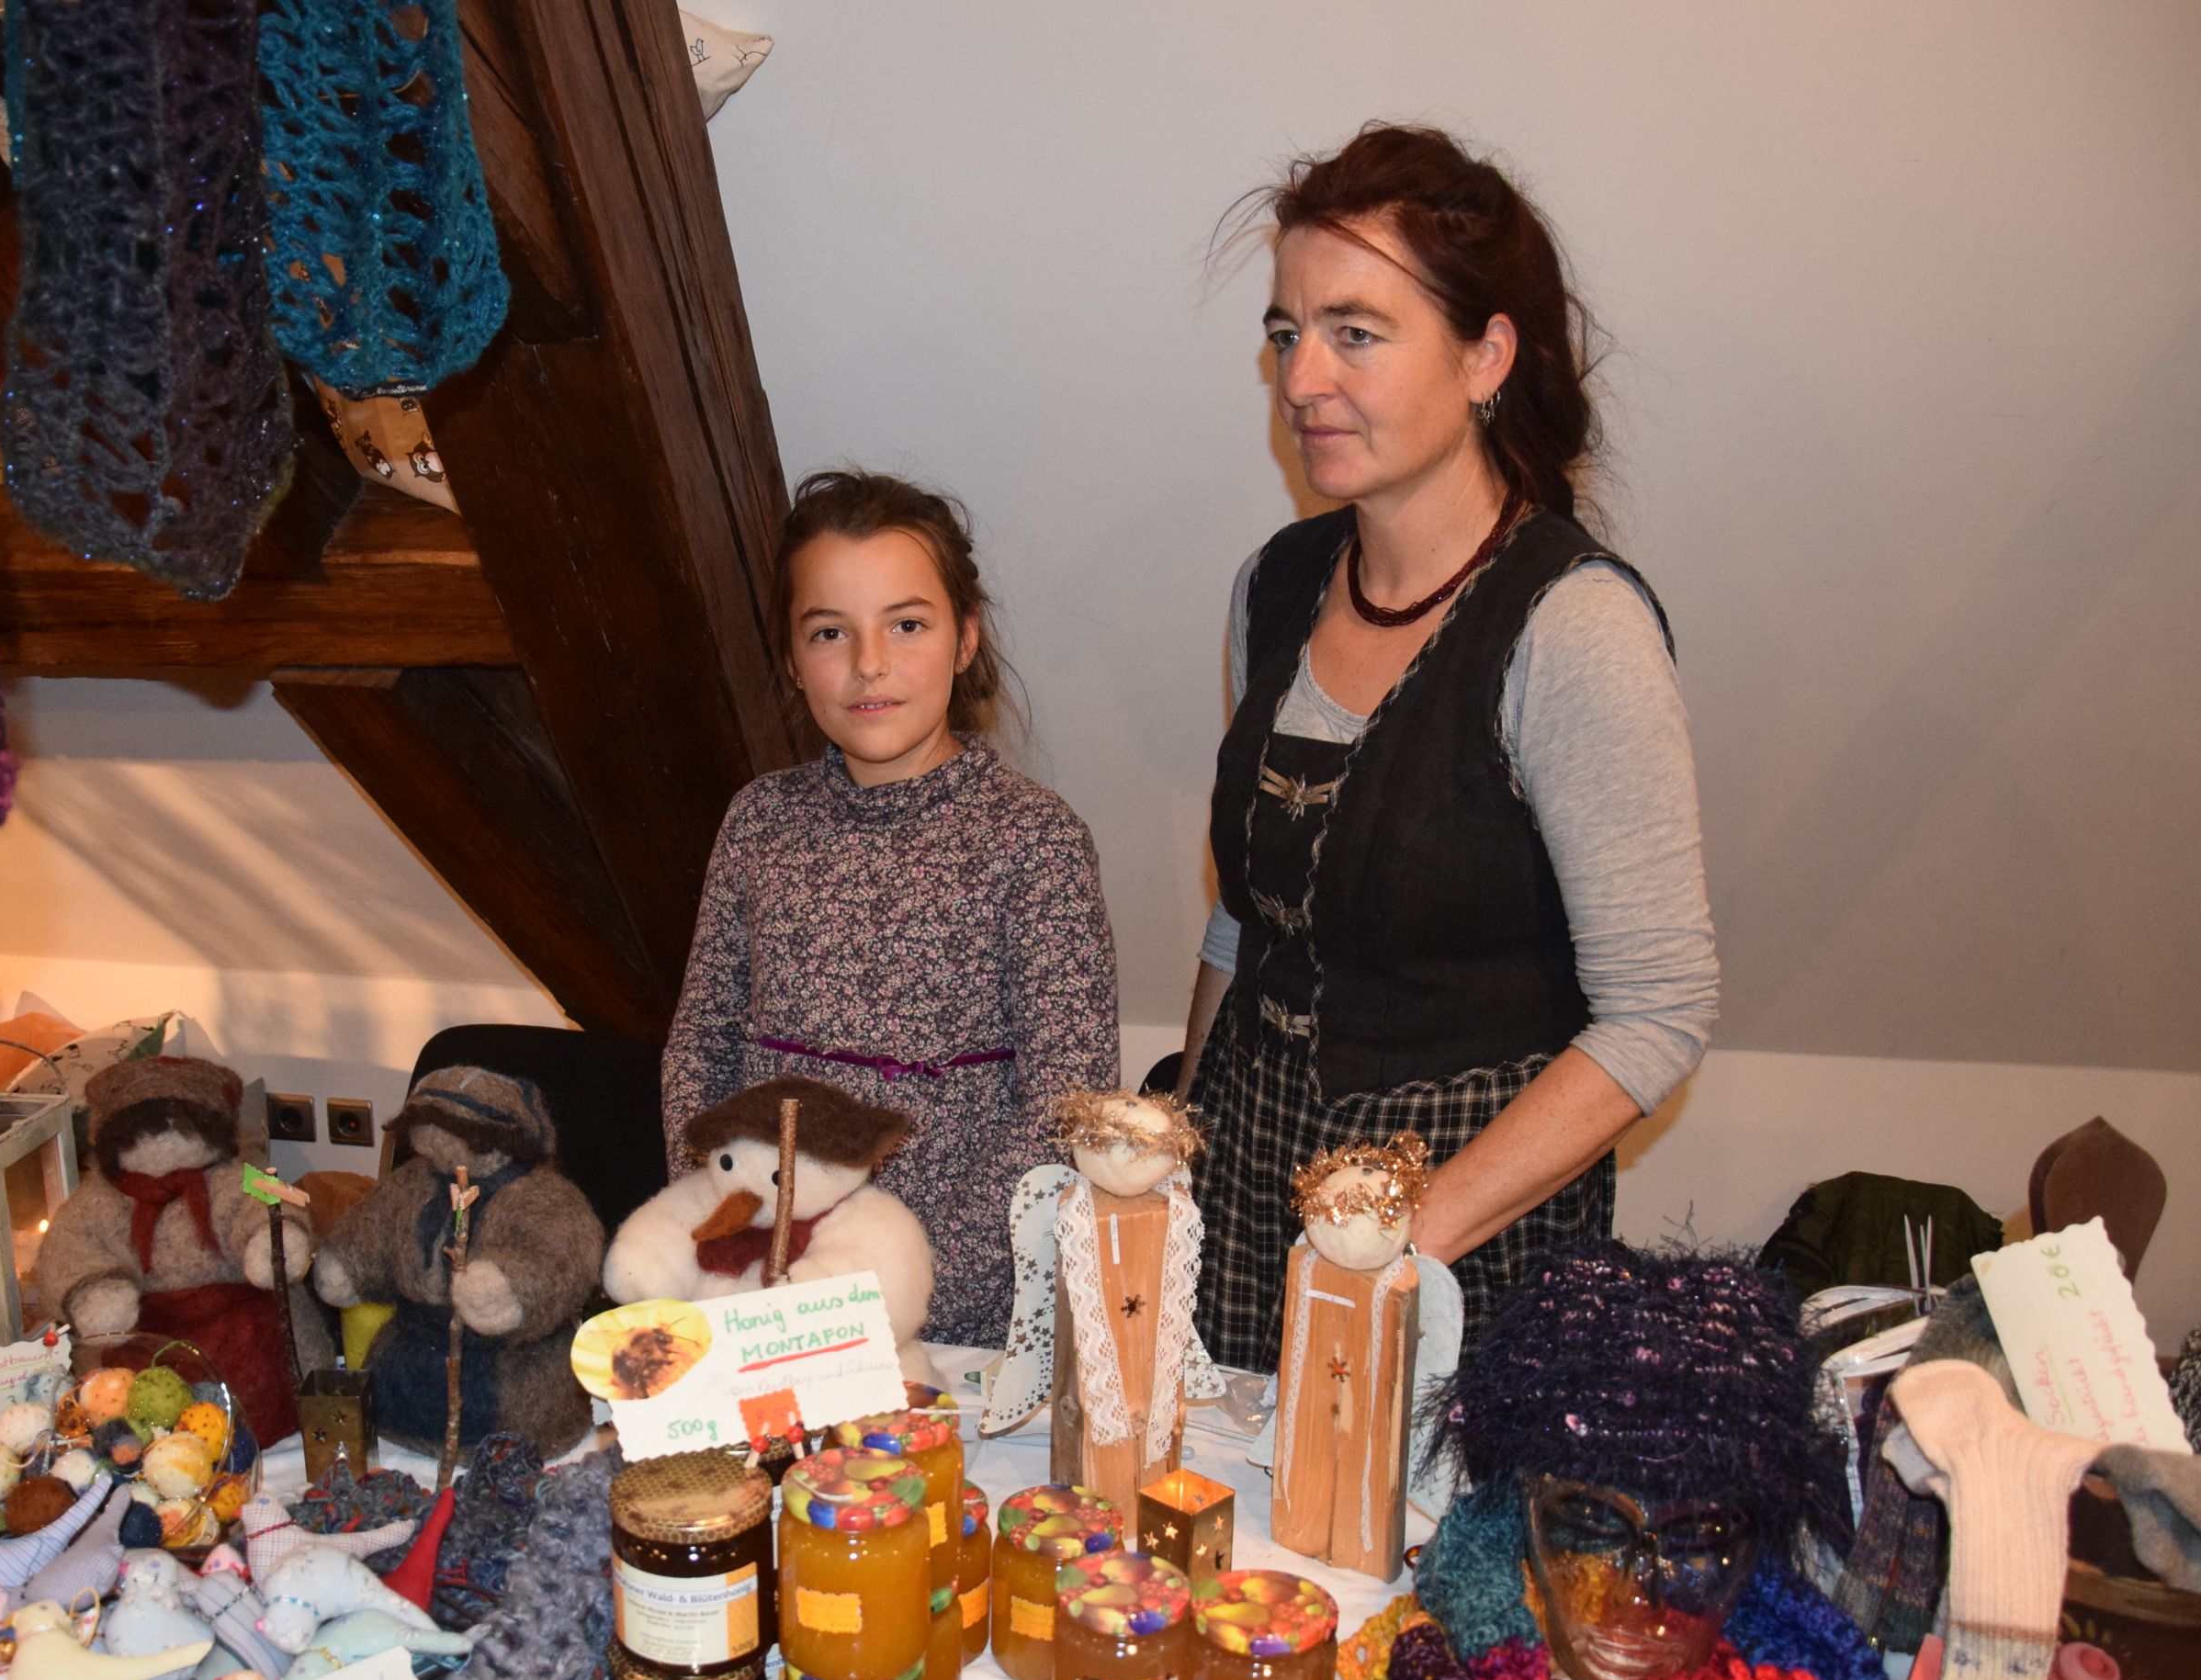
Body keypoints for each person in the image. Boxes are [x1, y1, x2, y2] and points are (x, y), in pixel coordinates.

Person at [1184, 125, 1719, 1367]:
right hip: (1251, 1194)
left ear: (1486, 356)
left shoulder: (1571, 626)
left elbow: (1657, 1014)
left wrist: (1399, 1241)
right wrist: (1183, 1150)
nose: (1301, 378)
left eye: (1355, 333)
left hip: (1469, 1242)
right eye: (1285, 333)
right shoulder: (1274, 588)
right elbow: (1244, 918)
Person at [662, 469, 1119, 1346]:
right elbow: (701, 1045)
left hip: (947, 1320)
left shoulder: (1035, 840)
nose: (868, 663)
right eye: (829, 632)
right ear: (792, 659)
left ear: (965, 638)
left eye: (906, 625)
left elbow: (1064, 1107)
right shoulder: (758, 822)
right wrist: (723, 1231)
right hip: (757, 1294)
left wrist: (891, 1286)